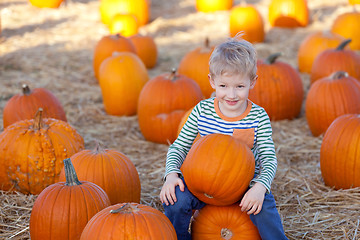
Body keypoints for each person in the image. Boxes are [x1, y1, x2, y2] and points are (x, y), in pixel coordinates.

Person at [159, 35, 288, 240]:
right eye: (223, 86)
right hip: (200, 181)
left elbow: (268, 158)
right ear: (212, 81)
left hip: (241, 186)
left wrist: (259, 188)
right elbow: (179, 147)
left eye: (239, 86)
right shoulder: (202, 110)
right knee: (175, 200)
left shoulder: (258, 116)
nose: (231, 95)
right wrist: (172, 175)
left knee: (264, 207)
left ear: (252, 82)